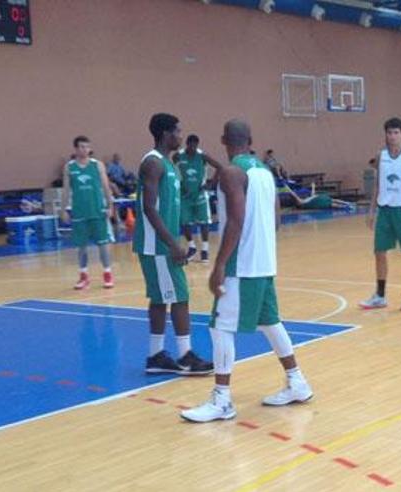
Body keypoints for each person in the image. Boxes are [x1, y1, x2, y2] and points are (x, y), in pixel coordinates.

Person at [181, 119, 313, 423]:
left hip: (242, 265)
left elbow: (236, 222)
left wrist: (219, 265)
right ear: (251, 140)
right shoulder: (265, 172)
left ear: (224, 140)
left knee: (220, 327)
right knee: (270, 321)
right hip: (265, 262)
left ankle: (222, 401)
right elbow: (277, 220)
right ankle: (297, 382)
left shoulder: (231, 173)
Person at [134, 113, 213, 376]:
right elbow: (148, 208)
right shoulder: (153, 164)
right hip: (157, 246)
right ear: (167, 134)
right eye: (179, 131)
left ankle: (155, 355)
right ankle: (185, 356)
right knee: (180, 297)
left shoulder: (170, 165)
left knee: (160, 300)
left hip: (161, 244)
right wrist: (173, 244)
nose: (181, 136)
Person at [359, 117, 401, 312]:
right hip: (384, 210)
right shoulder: (381, 156)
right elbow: (378, 184)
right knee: (379, 252)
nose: (393, 136)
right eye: (389, 133)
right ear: (385, 134)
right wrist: (371, 211)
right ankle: (380, 295)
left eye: (396, 133)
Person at [61, 136, 115, 290]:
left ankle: (107, 273)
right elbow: (66, 190)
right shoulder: (69, 167)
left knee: (103, 244)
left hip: (97, 210)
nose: (85, 150)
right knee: (81, 247)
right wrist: (63, 209)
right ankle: (84, 276)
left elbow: (106, 187)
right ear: (76, 149)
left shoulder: (97, 165)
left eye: (87, 147)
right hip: (79, 212)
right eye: (82, 147)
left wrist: (110, 205)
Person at [174, 134, 223, 263]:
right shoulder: (178, 156)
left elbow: (219, 167)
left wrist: (211, 183)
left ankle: (205, 250)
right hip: (185, 195)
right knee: (184, 222)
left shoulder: (202, 156)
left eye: (195, 146)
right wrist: (178, 183)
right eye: (191, 145)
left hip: (200, 194)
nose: (193, 148)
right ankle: (191, 246)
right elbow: (173, 170)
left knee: (204, 222)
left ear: (197, 145)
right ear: (187, 144)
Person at [287, 183, 355, 210]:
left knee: (332, 201)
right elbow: (294, 195)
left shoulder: (304, 200)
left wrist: (313, 187)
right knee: (331, 203)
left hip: (318, 199)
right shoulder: (301, 202)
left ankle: (347, 204)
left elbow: (312, 195)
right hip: (318, 202)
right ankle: (346, 206)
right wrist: (288, 189)